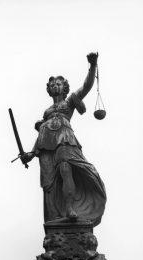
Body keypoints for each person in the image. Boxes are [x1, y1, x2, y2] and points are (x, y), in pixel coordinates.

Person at [22, 53, 106, 226]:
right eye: (52, 84)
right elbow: (41, 134)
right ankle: (54, 217)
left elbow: (86, 86)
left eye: (58, 84)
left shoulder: (69, 102)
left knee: (66, 169)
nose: (55, 86)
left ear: (65, 88)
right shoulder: (46, 112)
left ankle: (69, 208)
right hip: (46, 146)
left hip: (64, 139)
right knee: (49, 183)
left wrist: (93, 66)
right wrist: (30, 153)